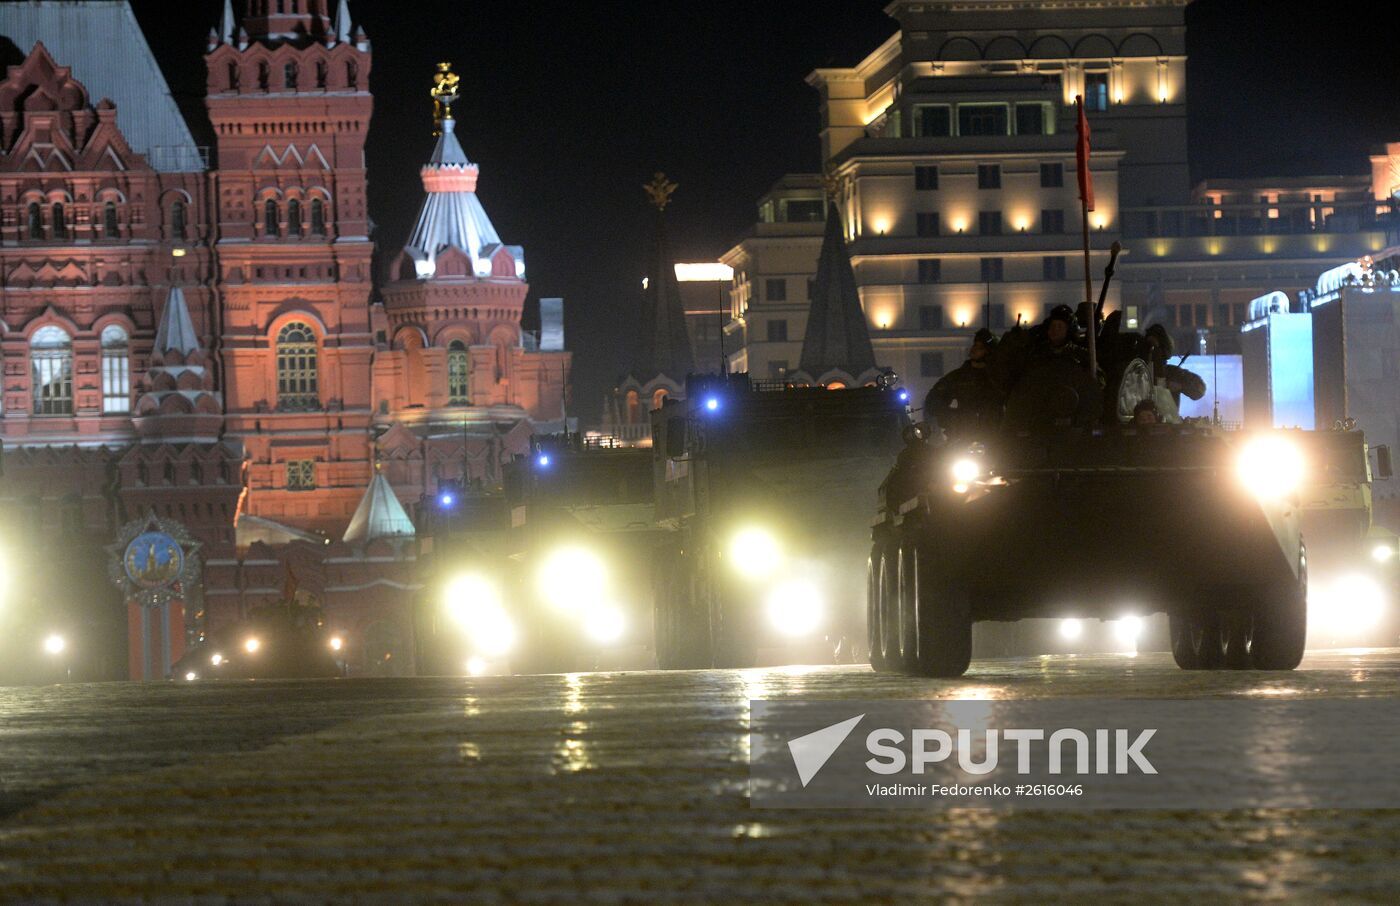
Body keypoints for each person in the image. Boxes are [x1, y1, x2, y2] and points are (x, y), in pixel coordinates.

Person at [924, 328, 1002, 439]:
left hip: (994, 435)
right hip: (964, 434)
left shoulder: (999, 378)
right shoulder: (958, 377)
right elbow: (933, 400)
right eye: (975, 345)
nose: (974, 349)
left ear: (989, 352)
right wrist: (951, 417)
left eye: (980, 348)